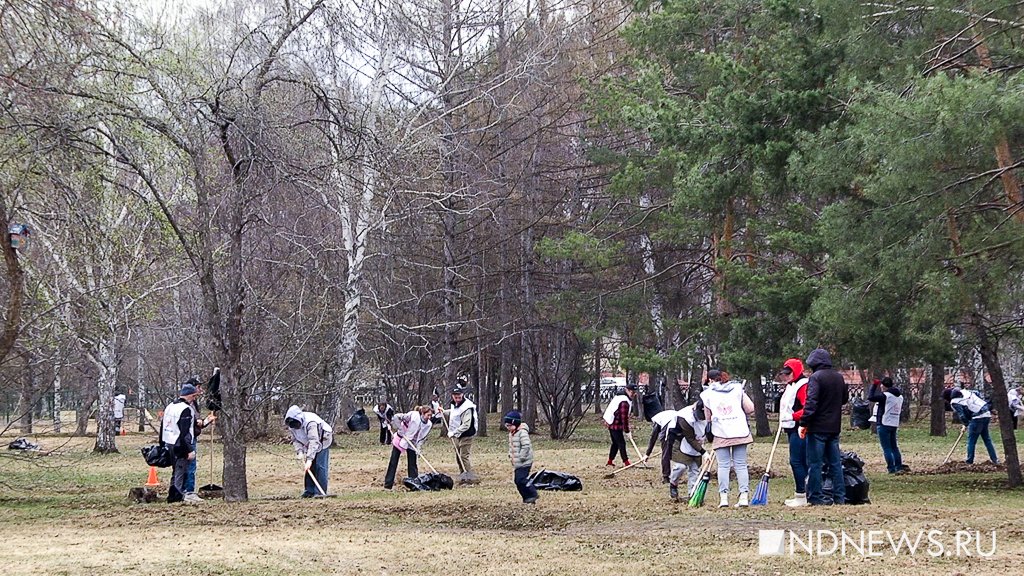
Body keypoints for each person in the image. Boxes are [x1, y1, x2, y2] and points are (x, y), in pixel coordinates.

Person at [799, 348, 849, 506]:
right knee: (835, 464)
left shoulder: (816, 378)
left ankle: (815, 497)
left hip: (817, 428)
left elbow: (811, 402)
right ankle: (840, 497)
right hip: (834, 427)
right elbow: (844, 399)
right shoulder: (838, 377)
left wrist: (804, 422)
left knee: (815, 463)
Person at [700, 369, 755, 507]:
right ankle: (743, 497)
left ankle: (723, 498)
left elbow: (708, 418)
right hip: (739, 431)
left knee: (723, 466)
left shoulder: (707, 394)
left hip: (721, 432)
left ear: (710, 380)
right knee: (741, 465)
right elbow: (750, 408)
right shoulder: (737, 388)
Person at [161, 382, 201, 504]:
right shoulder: (186, 410)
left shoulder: (170, 406)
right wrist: (189, 450)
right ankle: (177, 496)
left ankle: (172, 494)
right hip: (180, 444)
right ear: (188, 395)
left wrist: (162, 444)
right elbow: (185, 433)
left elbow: (163, 426)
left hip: (168, 441)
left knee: (175, 470)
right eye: (194, 396)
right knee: (180, 470)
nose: (194, 399)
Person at [285, 405, 334, 498]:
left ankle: (320, 491)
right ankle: (309, 491)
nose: (296, 427)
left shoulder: (311, 423)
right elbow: (296, 440)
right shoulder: (291, 425)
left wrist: (309, 459)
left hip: (323, 438)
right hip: (308, 441)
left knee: (320, 465)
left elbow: (314, 441)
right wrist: (299, 451)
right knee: (309, 468)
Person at [778, 359, 809, 507]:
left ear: (796, 371)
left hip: (800, 427)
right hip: (791, 428)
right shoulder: (792, 386)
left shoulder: (802, 386)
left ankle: (802, 494)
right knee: (800, 460)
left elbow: (806, 408)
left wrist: (792, 416)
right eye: (784, 374)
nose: (786, 376)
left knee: (797, 461)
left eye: (788, 373)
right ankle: (805, 493)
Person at [183, 376, 217, 503]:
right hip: (187, 439)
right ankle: (188, 492)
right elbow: (189, 423)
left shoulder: (194, 404)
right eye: (198, 387)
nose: (200, 390)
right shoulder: (185, 405)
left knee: (190, 466)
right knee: (189, 466)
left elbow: (199, 423)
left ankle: (185, 490)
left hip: (193, 436)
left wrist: (207, 421)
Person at [384, 405, 434, 490]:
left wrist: (418, 448)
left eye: (430, 415)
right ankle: (388, 484)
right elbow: (397, 417)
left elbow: (422, 438)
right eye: (428, 415)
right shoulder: (413, 415)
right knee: (393, 461)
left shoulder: (428, 424)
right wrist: (400, 429)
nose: (429, 417)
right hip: (401, 438)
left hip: (413, 443)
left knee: (413, 463)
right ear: (422, 413)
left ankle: (414, 483)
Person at [438, 386, 479, 484]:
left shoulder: (467, 407)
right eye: (455, 397)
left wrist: (454, 432)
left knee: (463, 456)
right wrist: (444, 412)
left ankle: (469, 478)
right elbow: (454, 413)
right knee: (458, 455)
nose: (457, 398)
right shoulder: (455, 404)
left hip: (467, 434)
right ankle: (462, 475)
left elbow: (466, 425)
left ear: (462, 395)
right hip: (458, 435)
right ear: (452, 396)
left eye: (459, 396)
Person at [947, 388, 999, 465]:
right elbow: (977, 393)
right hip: (986, 414)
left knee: (971, 440)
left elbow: (962, 415)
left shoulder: (955, 402)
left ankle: (969, 461)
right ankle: (995, 460)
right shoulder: (967, 392)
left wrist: (966, 424)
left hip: (977, 418)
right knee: (987, 439)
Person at [667, 399, 706, 501]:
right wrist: (703, 452)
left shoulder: (710, 413)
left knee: (695, 469)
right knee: (681, 466)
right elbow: (690, 438)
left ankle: (692, 494)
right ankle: (673, 484)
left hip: (697, 441)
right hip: (678, 439)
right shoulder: (684, 417)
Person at [868, 377, 906, 474]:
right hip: (894, 423)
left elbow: (871, 397)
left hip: (884, 423)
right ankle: (899, 466)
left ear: (883, 386)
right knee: (894, 447)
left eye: (881, 385)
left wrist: (874, 385)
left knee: (887, 448)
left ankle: (891, 468)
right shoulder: (900, 396)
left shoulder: (885, 396)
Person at [505, 410, 538, 504]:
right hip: (517, 462)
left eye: (509, 425)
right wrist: (510, 455)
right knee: (517, 481)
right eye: (506, 426)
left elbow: (526, 445)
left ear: (515, 423)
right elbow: (512, 446)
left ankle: (533, 494)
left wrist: (521, 457)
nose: (508, 428)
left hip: (525, 461)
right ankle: (527, 498)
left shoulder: (522, 433)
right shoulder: (512, 433)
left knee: (521, 480)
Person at [603, 383, 637, 466]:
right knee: (621, 443)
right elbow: (624, 418)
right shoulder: (624, 401)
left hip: (613, 422)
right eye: (632, 392)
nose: (633, 394)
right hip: (615, 424)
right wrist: (627, 431)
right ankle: (626, 462)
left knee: (615, 443)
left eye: (634, 392)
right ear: (627, 390)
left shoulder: (621, 396)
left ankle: (610, 461)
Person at [645, 408, 681, 483]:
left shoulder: (657, 420)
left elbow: (653, 437)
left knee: (666, 453)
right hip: (679, 424)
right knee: (672, 450)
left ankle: (666, 476)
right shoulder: (665, 415)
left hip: (671, 426)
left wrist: (647, 454)